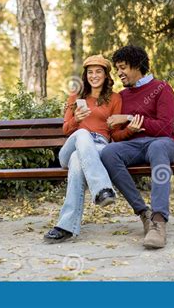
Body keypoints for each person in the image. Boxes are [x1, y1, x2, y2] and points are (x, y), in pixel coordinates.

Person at [101, 45, 174, 249]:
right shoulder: (122, 96)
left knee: (157, 148)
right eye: (117, 68)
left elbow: (164, 127)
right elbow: (117, 136)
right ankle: (144, 214)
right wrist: (128, 130)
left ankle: (159, 221)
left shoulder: (162, 88)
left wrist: (130, 118)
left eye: (123, 67)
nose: (119, 73)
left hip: (163, 143)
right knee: (108, 152)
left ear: (137, 66)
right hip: (134, 145)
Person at [43, 54, 122, 244]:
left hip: (99, 148)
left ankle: (65, 227)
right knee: (83, 134)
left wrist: (119, 123)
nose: (94, 76)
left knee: (78, 162)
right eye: (90, 72)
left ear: (106, 76)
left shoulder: (115, 98)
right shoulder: (75, 96)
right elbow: (66, 129)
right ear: (85, 75)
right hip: (72, 145)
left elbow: (116, 134)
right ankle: (102, 189)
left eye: (98, 72)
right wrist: (77, 120)